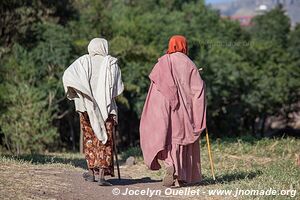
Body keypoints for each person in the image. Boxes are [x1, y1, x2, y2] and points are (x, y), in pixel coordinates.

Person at [140, 35, 206, 187]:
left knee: (168, 138)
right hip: (184, 112)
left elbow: (156, 89)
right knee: (181, 140)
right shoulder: (190, 64)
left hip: (167, 108)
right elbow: (198, 90)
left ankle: (171, 165)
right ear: (184, 46)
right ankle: (181, 175)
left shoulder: (163, 62)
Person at [62, 38, 124, 186]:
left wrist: (79, 92)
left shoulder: (82, 62)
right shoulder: (111, 64)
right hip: (107, 109)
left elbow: (68, 76)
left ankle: (91, 173)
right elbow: (117, 90)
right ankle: (102, 175)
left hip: (86, 108)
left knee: (89, 138)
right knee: (105, 140)